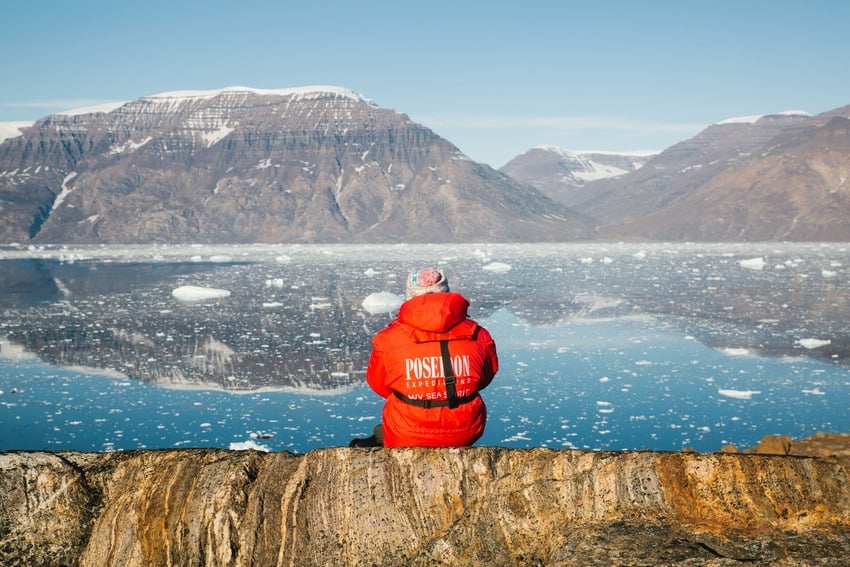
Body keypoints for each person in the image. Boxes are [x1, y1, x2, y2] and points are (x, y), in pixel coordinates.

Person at [350, 267, 498, 447]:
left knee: (386, 428)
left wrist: (416, 391)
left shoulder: (388, 338)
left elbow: (378, 383)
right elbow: (487, 374)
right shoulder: (478, 334)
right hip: (466, 429)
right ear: (446, 291)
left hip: (406, 430)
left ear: (409, 296)